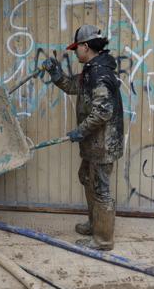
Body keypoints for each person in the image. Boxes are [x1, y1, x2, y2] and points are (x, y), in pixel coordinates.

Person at [42, 25, 124, 250]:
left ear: (85, 47)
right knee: (86, 178)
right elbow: (71, 86)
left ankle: (103, 240)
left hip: (103, 143)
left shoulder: (99, 74)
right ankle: (94, 223)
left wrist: (81, 130)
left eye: (76, 48)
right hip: (94, 142)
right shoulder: (91, 70)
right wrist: (56, 74)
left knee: (101, 189)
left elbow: (103, 111)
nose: (75, 52)